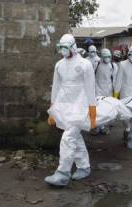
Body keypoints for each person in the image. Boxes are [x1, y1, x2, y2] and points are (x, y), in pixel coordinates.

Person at [45, 34, 96, 186]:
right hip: (65, 106)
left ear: (73, 46)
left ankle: (62, 173)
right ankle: (84, 167)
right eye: (61, 48)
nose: (63, 51)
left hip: (80, 107)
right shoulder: (59, 65)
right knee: (75, 138)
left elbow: (90, 88)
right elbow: (56, 88)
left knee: (68, 138)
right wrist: (53, 110)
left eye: (65, 47)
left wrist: (92, 111)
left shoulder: (85, 64)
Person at [93, 48, 118, 135]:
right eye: (105, 57)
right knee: (98, 109)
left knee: (106, 109)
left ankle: (104, 126)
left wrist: (115, 92)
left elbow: (114, 79)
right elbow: (92, 77)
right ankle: (98, 127)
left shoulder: (113, 65)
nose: (107, 58)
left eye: (109, 57)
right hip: (97, 90)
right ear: (102, 57)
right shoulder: (96, 64)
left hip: (108, 90)